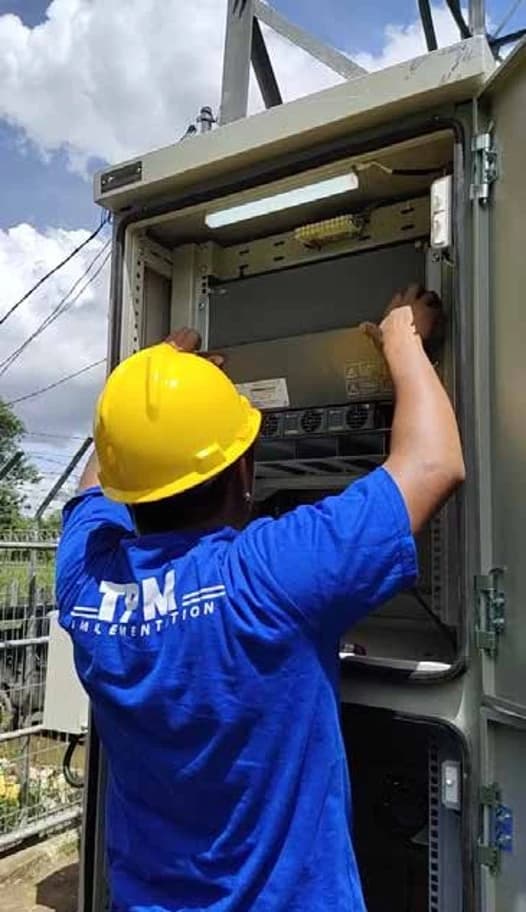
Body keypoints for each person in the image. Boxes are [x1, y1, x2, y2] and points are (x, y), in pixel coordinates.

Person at [56, 284, 465, 912]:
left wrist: (157, 387)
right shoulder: (270, 573)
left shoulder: (85, 585)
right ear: (245, 471)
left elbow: (98, 487)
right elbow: (434, 464)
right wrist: (402, 338)